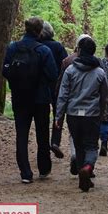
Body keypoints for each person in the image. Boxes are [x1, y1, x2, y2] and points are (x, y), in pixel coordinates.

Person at [2, 16, 58, 184]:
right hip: (41, 99)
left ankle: (25, 173)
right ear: (40, 31)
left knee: (21, 135)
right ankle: (44, 168)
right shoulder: (44, 51)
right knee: (42, 134)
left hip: (20, 98)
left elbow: (5, 71)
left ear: (25, 29)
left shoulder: (13, 48)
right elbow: (53, 75)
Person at [55, 37, 108, 192]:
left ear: (79, 51)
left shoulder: (70, 70)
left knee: (78, 145)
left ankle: (82, 175)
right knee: (91, 145)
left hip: (73, 114)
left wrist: (59, 116)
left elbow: (63, 95)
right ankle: (87, 167)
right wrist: (102, 112)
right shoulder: (99, 72)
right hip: (91, 115)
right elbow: (104, 95)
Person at [57, 34, 91, 175]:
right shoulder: (97, 65)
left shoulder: (67, 62)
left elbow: (62, 89)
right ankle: (88, 165)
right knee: (89, 137)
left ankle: (75, 155)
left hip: (72, 105)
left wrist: (59, 111)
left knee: (74, 134)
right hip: (91, 107)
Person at [40, 21, 68, 159]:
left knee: (42, 117)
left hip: (40, 87)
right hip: (57, 86)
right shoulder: (57, 46)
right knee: (59, 114)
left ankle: (44, 145)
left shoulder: (37, 46)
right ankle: (55, 141)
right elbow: (66, 65)